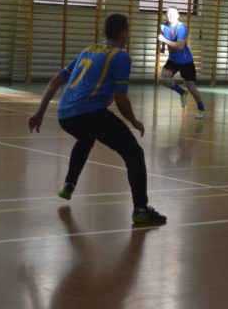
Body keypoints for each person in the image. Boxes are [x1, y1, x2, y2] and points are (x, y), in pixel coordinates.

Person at [28, 13, 166, 225]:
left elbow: (55, 82)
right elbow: (121, 99)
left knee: (86, 138)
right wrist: (134, 121)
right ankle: (140, 209)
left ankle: (69, 184)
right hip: (89, 112)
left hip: (65, 115)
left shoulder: (88, 51)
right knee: (133, 153)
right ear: (124, 33)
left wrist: (39, 113)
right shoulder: (120, 56)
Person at [157, 6, 205, 119]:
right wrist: (163, 47)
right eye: (168, 13)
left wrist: (164, 40)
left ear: (178, 16)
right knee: (163, 78)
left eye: (173, 13)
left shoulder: (181, 27)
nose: (170, 15)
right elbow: (163, 35)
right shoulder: (163, 26)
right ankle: (182, 93)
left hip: (186, 61)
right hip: (173, 60)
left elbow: (180, 46)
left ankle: (201, 108)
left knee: (191, 86)